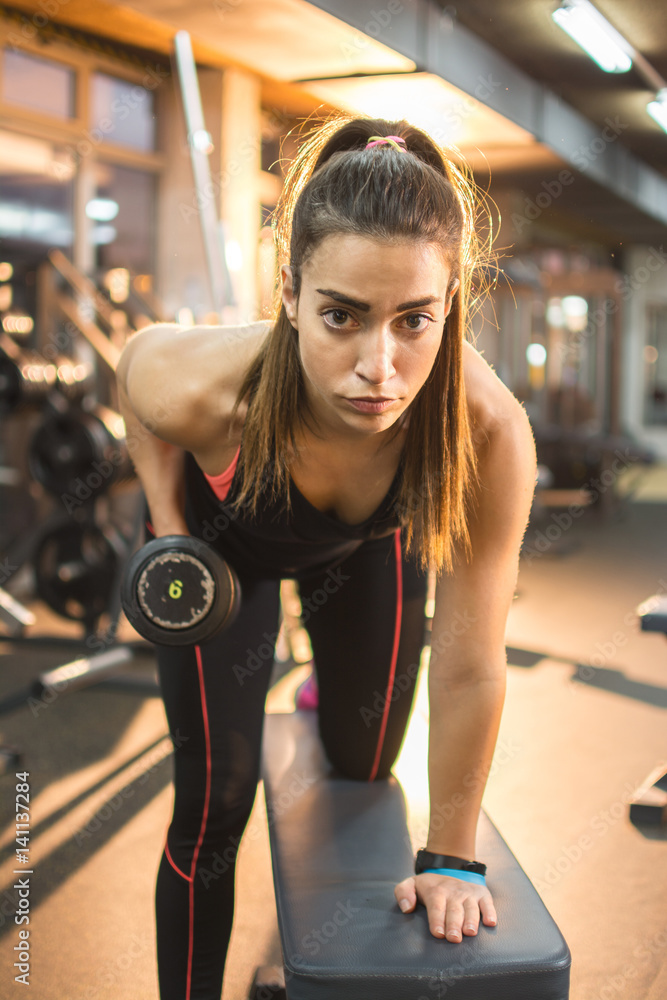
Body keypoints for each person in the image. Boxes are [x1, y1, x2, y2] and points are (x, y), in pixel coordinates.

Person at [116, 117, 537, 1000]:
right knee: (214, 802)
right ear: (291, 291)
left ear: (451, 302)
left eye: (414, 320)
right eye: (340, 316)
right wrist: (169, 529)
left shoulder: (485, 432)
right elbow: (136, 370)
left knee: (363, 764)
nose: (378, 367)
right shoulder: (210, 391)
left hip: (366, 547)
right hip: (225, 556)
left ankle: (319, 685)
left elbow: (469, 664)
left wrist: (449, 856)